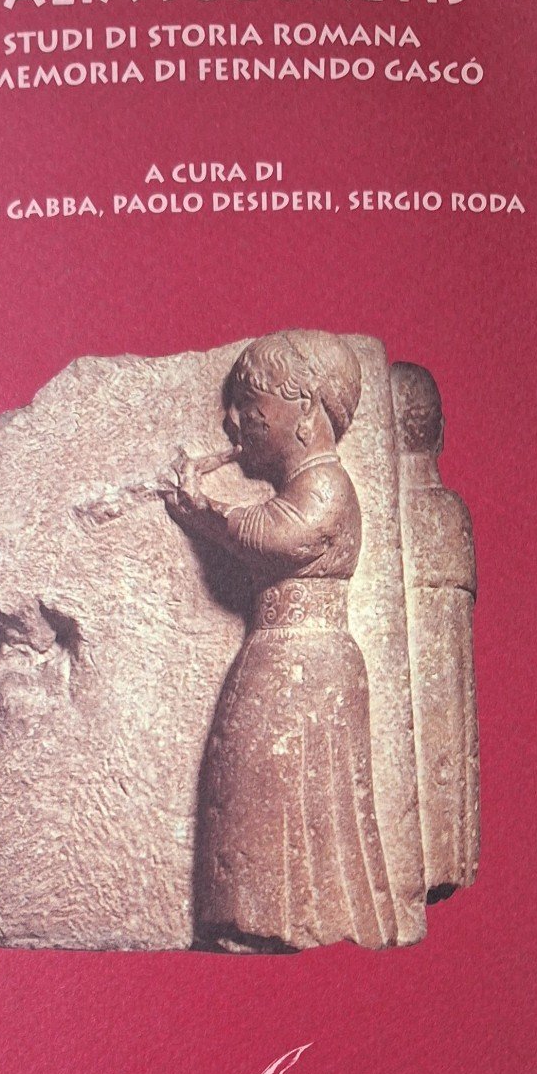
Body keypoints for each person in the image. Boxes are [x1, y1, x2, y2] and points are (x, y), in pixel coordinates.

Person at [165, 329, 398, 952]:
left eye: (250, 402)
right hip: (281, 657)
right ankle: (254, 916)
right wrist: (201, 512)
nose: (233, 419)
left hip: (307, 665)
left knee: (288, 789)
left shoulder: (326, 485)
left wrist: (204, 508)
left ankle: (294, 920)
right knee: (252, 781)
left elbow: (279, 534)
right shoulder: (305, 486)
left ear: (305, 408)